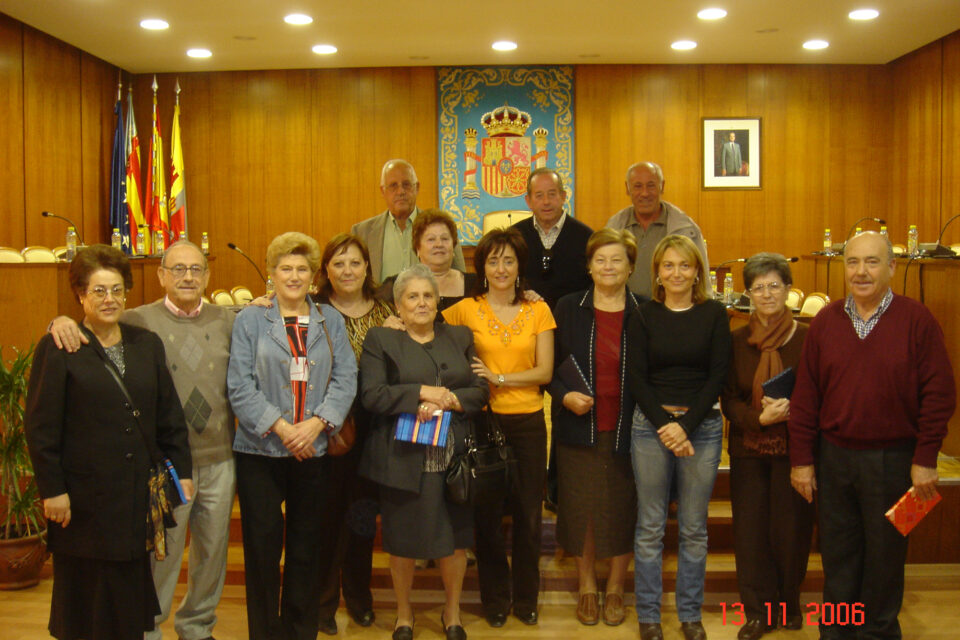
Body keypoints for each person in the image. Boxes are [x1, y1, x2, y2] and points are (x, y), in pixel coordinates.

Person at [47, 240, 236, 640]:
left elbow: (167, 414)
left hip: (212, 457)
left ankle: (197, 627)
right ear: (160, 276)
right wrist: (57, 321)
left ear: (208, 275)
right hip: (150, 471)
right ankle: (148, 627)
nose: (188, 276)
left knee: (212, 552)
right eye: (178, 269)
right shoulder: (138, 321)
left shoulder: (227, 320)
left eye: (196, 269)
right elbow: (45, 423)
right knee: (161, 553)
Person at [789, 231, 955, 640]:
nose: (861, 271)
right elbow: (806, 396)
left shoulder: (917, 320)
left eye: (872, 262)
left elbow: (940, 394)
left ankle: (879, 633)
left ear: (892, 267)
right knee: (839, 557)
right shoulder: (826, 321)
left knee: (885, 558)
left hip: (895, 461)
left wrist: (926, 458)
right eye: (853, 262)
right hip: (834, 458)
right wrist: (802, 461)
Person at [25, 244, 193, 640]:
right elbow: (41, 428)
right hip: (82, 502)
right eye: (99, 291)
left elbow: (170, 417)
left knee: (127, 600)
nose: (109, 299)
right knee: (86, 603)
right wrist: (53, 491)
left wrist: (181, 471)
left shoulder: (145, 343)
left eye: (117, 290)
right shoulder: (60, 345)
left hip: (134, 497)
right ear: (81, 295)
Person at [227, 232, 357, 640]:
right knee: (262, 552)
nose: (294, 275)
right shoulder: (251, 319)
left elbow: (345, 378)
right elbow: (239, 386)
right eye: (286, 268)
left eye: (302, 268)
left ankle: (301, 631)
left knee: (306, 549)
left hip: (313, 452)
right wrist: (282, 428)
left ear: (313, 276)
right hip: (260, 451)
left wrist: (317, 424)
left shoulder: (329, 320)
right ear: (272, 273)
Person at [358, 264, 488, 640]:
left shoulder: (460, 335)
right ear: (398, 305)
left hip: (454, 458)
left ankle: (452, 612)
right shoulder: (380, 340)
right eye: (411, 296)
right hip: (403, 458)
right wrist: (419, 393)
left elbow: (480, 389)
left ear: (438, 301)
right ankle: (404, 613)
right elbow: (372, 395)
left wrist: (449, 401)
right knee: (401, 542)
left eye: (427, 295)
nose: (420, 303)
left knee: (455, 541)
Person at [443, 229, 556, 627]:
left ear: (520, 266)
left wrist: (499, 378)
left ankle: (526, 598)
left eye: (509, 260)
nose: (501, 268)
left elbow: (544, 371)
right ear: (482, 267)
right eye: (493, 261)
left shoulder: (538, 309)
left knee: (528, 514)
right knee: (486, 518)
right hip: (483, 422)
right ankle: (494, 598)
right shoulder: (465, 310)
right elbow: (424, 324)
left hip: (527, 421)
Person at [626, 234, 731, 640]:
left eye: (684, 266)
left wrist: (684, 427)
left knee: (693, 527)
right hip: (651, 427)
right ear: (657, 272)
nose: (676, 273)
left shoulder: (714, 314)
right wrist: (666, 426)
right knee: (650, 526)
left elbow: (717, 375)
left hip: (701, 429)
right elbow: (636, 377)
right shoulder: (644, 314)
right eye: (668, 266)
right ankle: (649, 616)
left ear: (697, 272)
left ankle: (689, 615)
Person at [550, 228, 642, 627]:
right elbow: (547, 369)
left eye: (617, 259)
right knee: (581, 508)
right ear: (588, 265)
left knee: (624, 509)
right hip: (579, 424)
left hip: (631, 427)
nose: (608, 267)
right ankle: (587, 585)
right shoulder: (569, 307)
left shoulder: (645, 310)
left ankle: (618, 586)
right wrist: (563, 395)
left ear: (631, 266)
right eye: (600, 259)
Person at [721, 253, 814, 640]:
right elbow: (727, 398)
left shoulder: (809, 339)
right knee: (751, 532)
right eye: (758, 287)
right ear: (748, 294)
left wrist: (795, 409)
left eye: (775, 285)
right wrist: (757, 419)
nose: (767, 293)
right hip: (749, 446)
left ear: (789, 290)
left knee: (791, 532)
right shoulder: (736, 340)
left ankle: (788, 603)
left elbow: (822, 391)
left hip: (797, 450)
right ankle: (757, 612)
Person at [314, 233, 399, 634]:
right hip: (328, 426)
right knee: (328, 519)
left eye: (355, 263)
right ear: (326, 270)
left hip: (374, 428)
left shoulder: (387, 311)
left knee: (363, 518)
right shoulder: (312, 310)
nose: (347, 271)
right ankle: (324, 604)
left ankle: (360, 597)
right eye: (338, 263)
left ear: (367, 268)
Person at [351, 159, 466, 282]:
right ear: (383, 191)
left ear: (417, 187)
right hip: (379, 301)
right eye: (393, 186)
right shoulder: (362, 232)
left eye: (406, 184)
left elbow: (460, 277)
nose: (400, 192)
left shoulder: (442, 227)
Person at [606, 162, 708, 298]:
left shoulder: (686, 229)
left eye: (651, 185)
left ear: (662, 186)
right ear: (627, 188)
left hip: (670, 313)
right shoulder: (613, 227)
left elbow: (703, 281)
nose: (645, 193)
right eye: (637, 186)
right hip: (626, 313)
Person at [512, 167, 592, 309]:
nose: (546, 201)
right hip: (524, 317)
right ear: (528, 201)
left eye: (552, 194)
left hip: (572, 318)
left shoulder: (586, 237)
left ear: (563, 196)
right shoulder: (514, 235)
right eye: (539, 195)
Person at [378, 208, 478, 313]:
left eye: (445, 239)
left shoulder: (476, 284)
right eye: (431, 239)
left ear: (453, 246)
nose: (439, 244)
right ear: (418, 248)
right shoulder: (396, 285)